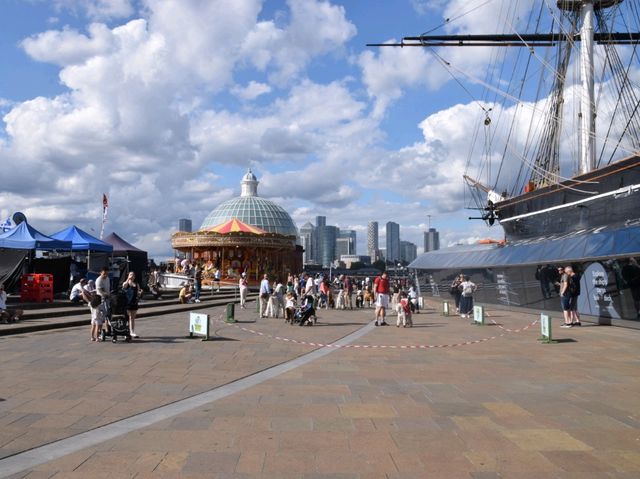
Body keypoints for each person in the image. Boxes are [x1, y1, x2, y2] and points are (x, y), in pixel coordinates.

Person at [122, 272, 142, 338]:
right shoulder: (126, 283)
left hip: (134, 302)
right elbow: (123, 286)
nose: (132, 276)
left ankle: (132, 331)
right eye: (130, 274)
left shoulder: (136, 284)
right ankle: (128, 331)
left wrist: (140, 293)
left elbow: (138, 292)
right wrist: (128, 279)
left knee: (132, 318)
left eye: (133, 275)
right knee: (129, 317)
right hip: (127, 302)